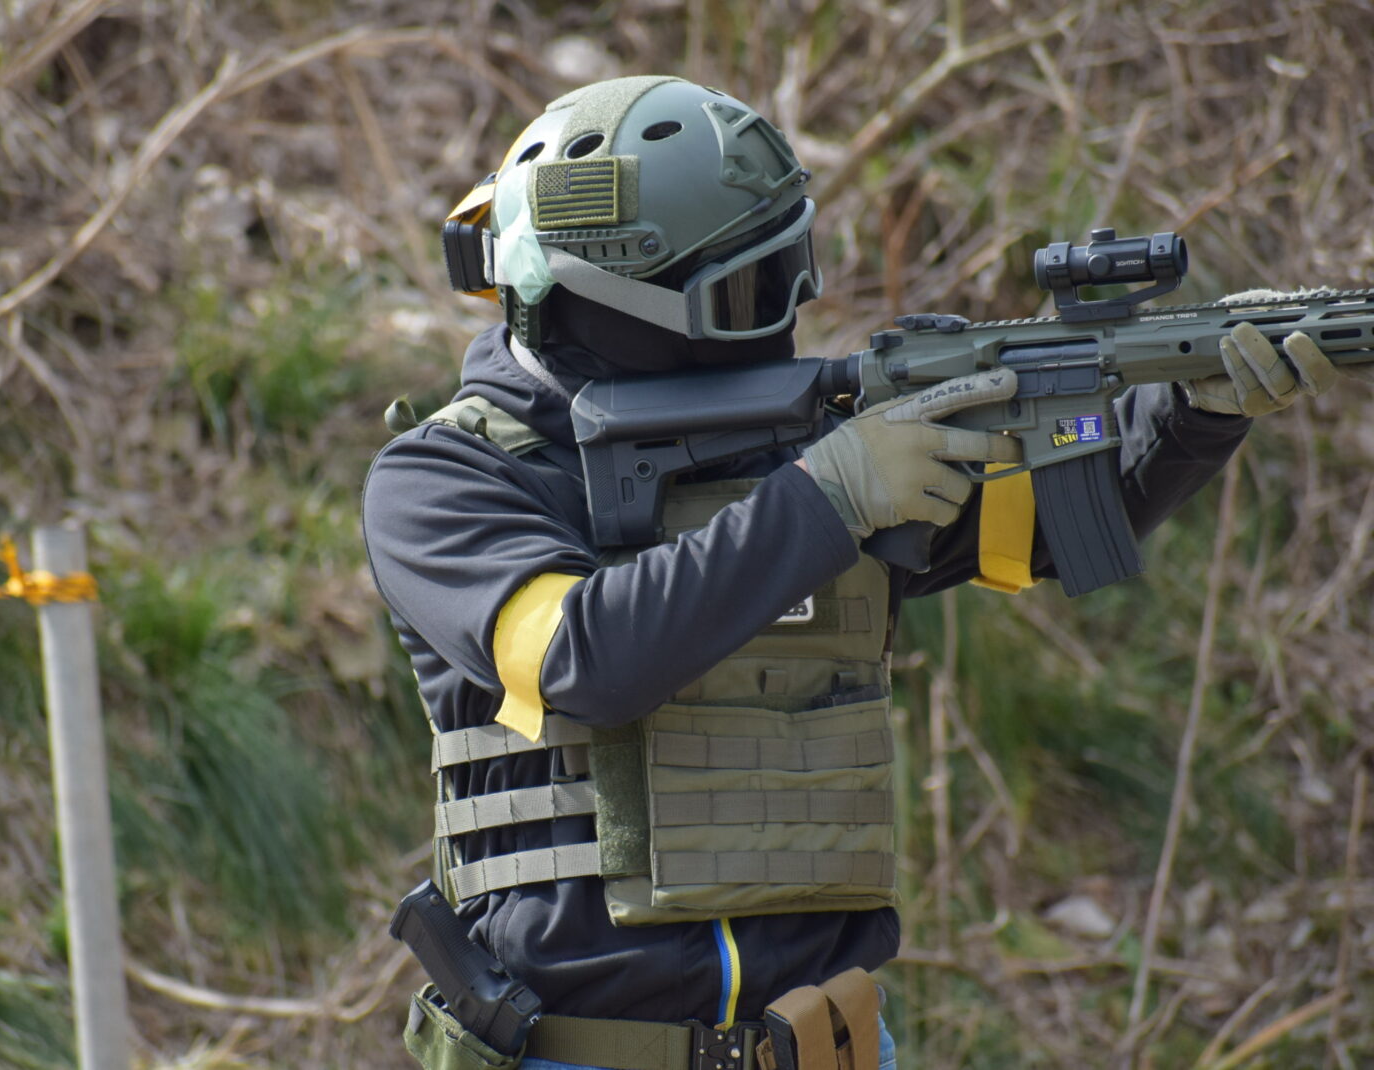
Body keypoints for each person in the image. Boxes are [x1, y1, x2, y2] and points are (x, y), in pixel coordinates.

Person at [362, 75, 1338, 1070]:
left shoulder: (805, 446)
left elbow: (1054, 525)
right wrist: (829, 497)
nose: (788, 309)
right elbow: (586, 657)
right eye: (748, 290)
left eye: (790, 269)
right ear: (607, 295)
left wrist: (1193, 407)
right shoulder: (445, 478)